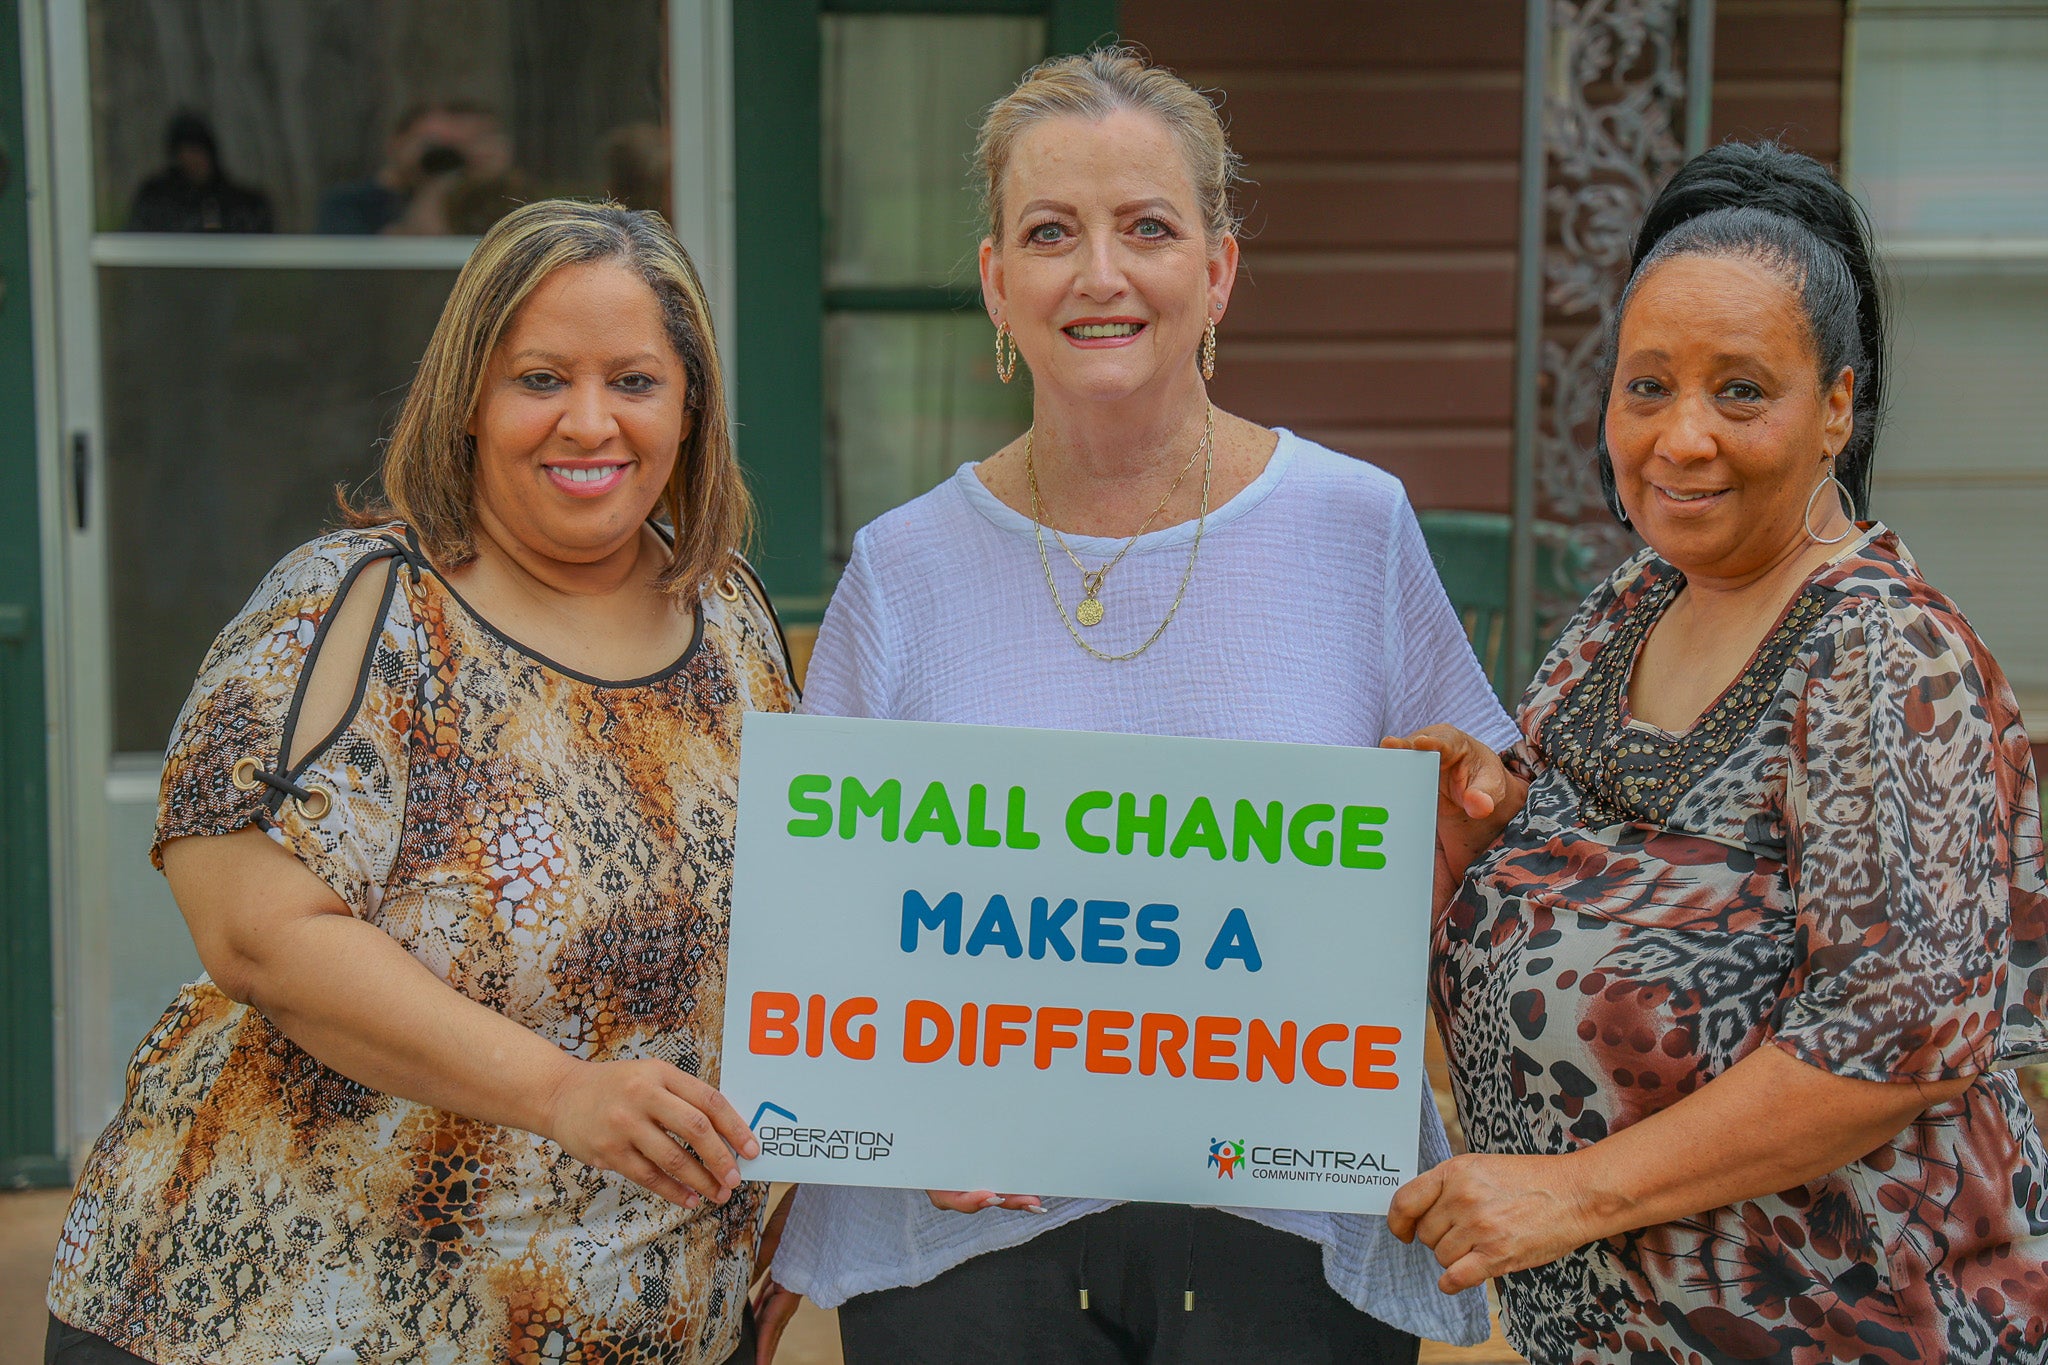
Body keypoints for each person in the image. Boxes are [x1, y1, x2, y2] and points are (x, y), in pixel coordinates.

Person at [755, 47, 1513, 1365]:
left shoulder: (1353, 527)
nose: (1099, 273)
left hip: (1281, 1233)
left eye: (1147, 228)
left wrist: (1456, 835)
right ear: (997, 280)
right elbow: (827, 933)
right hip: (973, 1249)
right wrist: (889, 1112)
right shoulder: (903, 567)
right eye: (1052, 233)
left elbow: (1469, 842)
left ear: (1216, 271)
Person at [45, 200, 794, 1365]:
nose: (589, 421)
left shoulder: (732, 621)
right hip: (290, 1311)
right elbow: (255, 933)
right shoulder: (354, 608)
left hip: (641, 1318)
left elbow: (798, 936)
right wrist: (561, 1093)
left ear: (689, 407)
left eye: (635, 381)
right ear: (468, 403)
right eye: (539, 377)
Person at [1383, 141, 2048, 1363]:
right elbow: (1581, 857)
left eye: (1739, 390)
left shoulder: (1883, 657)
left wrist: (1568, 1191)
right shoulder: (1628, 608)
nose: (1680, 438)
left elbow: (1888, 1043)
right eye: (1647, 387)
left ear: (1836, 406)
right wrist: (1485, 825)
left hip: (1844, 1326)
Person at [317, 101, 518, 236]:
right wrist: (435, 185)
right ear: (396, 142)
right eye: (431, 144)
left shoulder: (471, 199)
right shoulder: (349, 204)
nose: (441, 156)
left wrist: (491, 178)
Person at [126, 112, 274, 233]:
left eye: (197, 152)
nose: (193, 161)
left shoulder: (243, 205)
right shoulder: (155, 200)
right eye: (185, 153)